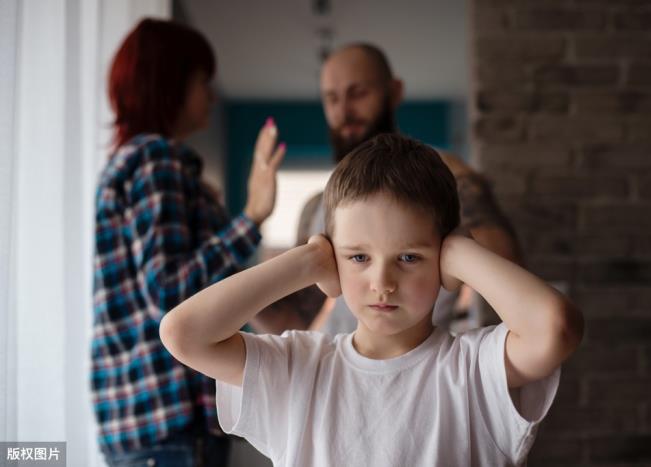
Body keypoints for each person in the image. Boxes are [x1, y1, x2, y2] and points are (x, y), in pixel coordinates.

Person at [160, 134, 584, 467]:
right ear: (333, 255)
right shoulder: (298, 366)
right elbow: (182, 333)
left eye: (408, 257)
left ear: (441, 257)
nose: (382, 282)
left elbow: (556, 328)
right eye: (358, 257)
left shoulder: (473, 369)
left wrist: (461, 253)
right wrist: (306, 262)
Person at [91, 18, 285, 466]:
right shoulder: (156, 159)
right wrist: (252, 216)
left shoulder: (134, 162)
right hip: (167, 421)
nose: (212, 96)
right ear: (170, 83)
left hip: (142, 421)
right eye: (203, 81)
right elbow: (170, 292)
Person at [250, 42, 520, 336]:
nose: (344, 112)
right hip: (343, 372)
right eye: (332, 99)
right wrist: (250, 221)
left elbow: (506, 272)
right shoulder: (318, 206)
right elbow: (296, 321)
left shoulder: (446, 178)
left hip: (423, 368)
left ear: (394, 92)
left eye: (358, 93)